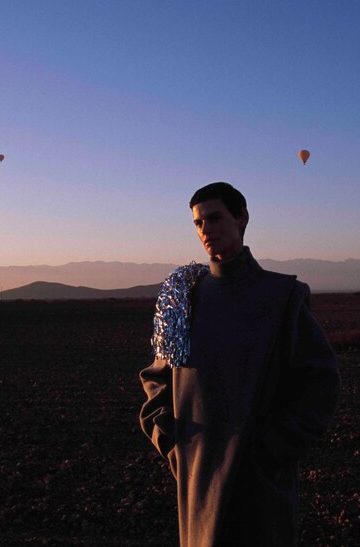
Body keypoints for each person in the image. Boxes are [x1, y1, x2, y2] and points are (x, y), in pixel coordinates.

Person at [139, 181, 341, 546]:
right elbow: (156, 381)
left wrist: (272, 450)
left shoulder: (283, 297)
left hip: (261, 485)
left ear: (242, 218)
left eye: (214, 218)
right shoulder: (181, 295)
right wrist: (173, 446)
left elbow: (320, 384)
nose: (205, 230)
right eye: (198, 223)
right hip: (198, 480)